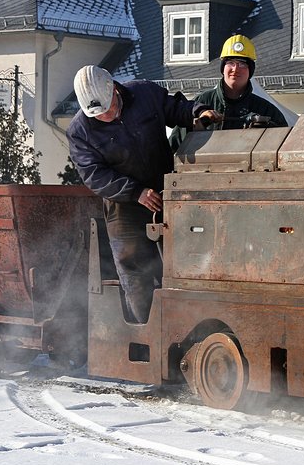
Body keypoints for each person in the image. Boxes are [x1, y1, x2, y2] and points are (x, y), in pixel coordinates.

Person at [67, 65, 221, 323]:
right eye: (98, 115)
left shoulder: (145, 94)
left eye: (108, 109)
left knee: (179, 263)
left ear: (115, 90)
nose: (104, 117)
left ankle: (186, 325)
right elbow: (94, 175)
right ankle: (145, 331)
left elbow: (176, 108)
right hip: (123, 205)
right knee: (134, 269)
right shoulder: (79, 130)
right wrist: (135, 192)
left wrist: (198, 111)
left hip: (166, 193)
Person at [170, 35, 287, 149]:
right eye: (231, 63)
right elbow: (173, 146)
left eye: (242, 64)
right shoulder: (201, 104)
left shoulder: (267, 111)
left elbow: (284, 148)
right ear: (223, 68)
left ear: (250, 71)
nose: (235, 69)